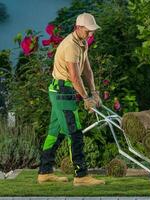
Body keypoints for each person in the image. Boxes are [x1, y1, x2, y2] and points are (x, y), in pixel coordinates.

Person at [37, 13, 105, 186]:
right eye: (88, 31)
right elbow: (75, 77)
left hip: (64, 90)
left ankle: (44, 172)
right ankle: (81, 176)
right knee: (74, 132)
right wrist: (86, 98)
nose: (91, 34)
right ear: (78, 27)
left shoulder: (82, 43)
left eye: (93, 31)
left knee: (55, 132)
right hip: (62, 91)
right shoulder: (70, 46)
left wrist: (94, 92)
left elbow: (87, 71)